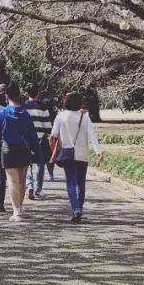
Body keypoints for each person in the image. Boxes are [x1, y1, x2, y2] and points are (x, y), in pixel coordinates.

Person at [49, 91, 102, 223]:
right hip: (82, 154)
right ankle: (79, 209)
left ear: (65, 102)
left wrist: (53, 152)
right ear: (79, 102)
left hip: (67, 153)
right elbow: (92, 135)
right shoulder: (85, 116)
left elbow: (53, 136)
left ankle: (76, 209)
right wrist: (98, 151)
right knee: (81, 183)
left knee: (71, 183)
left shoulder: (61, 116)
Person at [0, 83, 41, 222]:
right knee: (22, 180)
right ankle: (20, 206)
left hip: (8, 149)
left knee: (12, 181)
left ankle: (16, 211)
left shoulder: (2, 113)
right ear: (19, 96)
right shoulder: (25, 113)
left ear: (6, 96)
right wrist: (36, 151)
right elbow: (32, 134)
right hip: (24, 149)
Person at [23, 87, 52, 198]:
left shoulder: (24, 106)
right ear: (38, 93)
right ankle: (38, 189)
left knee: (27, 163)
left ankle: (30, 185)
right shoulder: (43, 106)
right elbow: (47, 126)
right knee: (40, 164)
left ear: (27, 93)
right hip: (40, 138)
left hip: (27, 138)